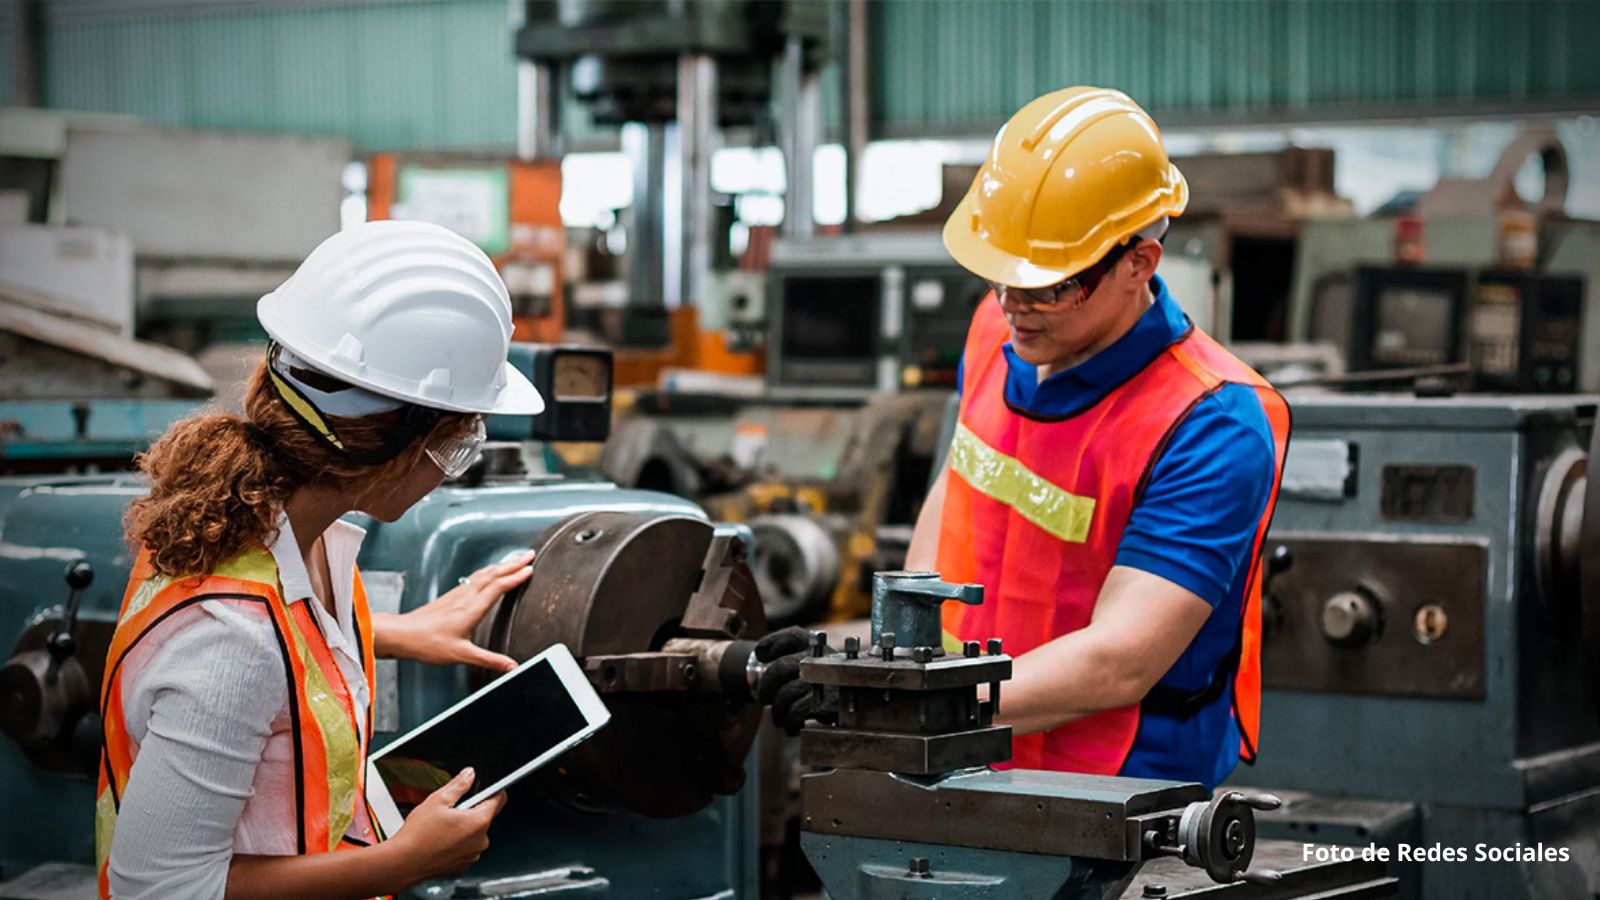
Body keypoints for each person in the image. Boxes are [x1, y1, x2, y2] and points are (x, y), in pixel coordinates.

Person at [97, 221, 548, 900]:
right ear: (395, 452)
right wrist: (400, 864)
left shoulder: (283, 535)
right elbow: (155, 887)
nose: (448, 474)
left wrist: (396, 635)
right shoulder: (232, 639)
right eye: (455, 446)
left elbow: (280, 655)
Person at [900, 86, 1291, 789]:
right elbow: (961, 481)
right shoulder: (1000, 331)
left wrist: (920, 706)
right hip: (960, 749)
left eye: (1047, 285)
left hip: (1113, 787)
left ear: (1139, 263)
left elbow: (1120, 660)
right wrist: (894, 659)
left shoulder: (1211, 424)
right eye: (1000, 278)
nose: (1014, 306)